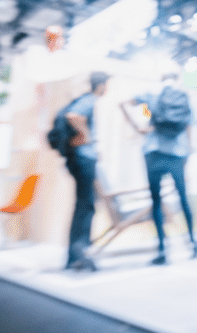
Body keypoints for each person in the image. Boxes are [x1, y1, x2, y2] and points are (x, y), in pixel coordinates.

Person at [120, 70, 197, 265]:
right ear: (177, 79)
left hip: (153, 153)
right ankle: (193, 243)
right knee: (183, 199)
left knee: (156, 202)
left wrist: (138, 129)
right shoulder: (184, 95)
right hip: (176, 153)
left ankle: (162, 250)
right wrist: (188, 153)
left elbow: (123, 103)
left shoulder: (150, 93)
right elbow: (189, 126)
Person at [63, 71, 110, 272]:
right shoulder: (90, 100)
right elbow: (73, 116)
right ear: (100, 86)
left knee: (84, 207)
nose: (107, 89)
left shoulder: (87, 100)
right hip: (84, 158)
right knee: (86, 207)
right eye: (107, 85)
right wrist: (87, 137)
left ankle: (75, 256)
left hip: (79, 158)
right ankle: (80, 256)